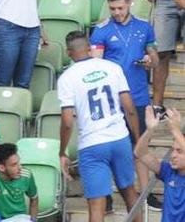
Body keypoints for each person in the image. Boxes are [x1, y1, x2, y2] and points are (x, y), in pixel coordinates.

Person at [58, 30, 142, 222]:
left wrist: (62, 151)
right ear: (90, 48)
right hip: (119, 138)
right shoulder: (112, 67)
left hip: (92, 143)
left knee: (97, 206)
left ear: (68, 52)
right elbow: (129, 108)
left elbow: (68, 121)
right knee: (130, 193)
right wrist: (138, 140)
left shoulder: (67, 78)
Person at [90, 0, 157, 142]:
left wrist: (150, 59)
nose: (117, 13)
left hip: (138, 96)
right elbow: (95, 65)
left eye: (120, 8)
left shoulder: (145, 27)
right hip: (111, 99)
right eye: (112, 9)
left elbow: (155, 62)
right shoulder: (101, 30)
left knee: (140, 148)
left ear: (129, 3)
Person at [134, 106, 184, 219]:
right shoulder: (168, 171)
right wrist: (149, 130)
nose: (173, 155)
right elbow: (140, 153)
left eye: (179, 151)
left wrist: (175, 129)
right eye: (173, 150)